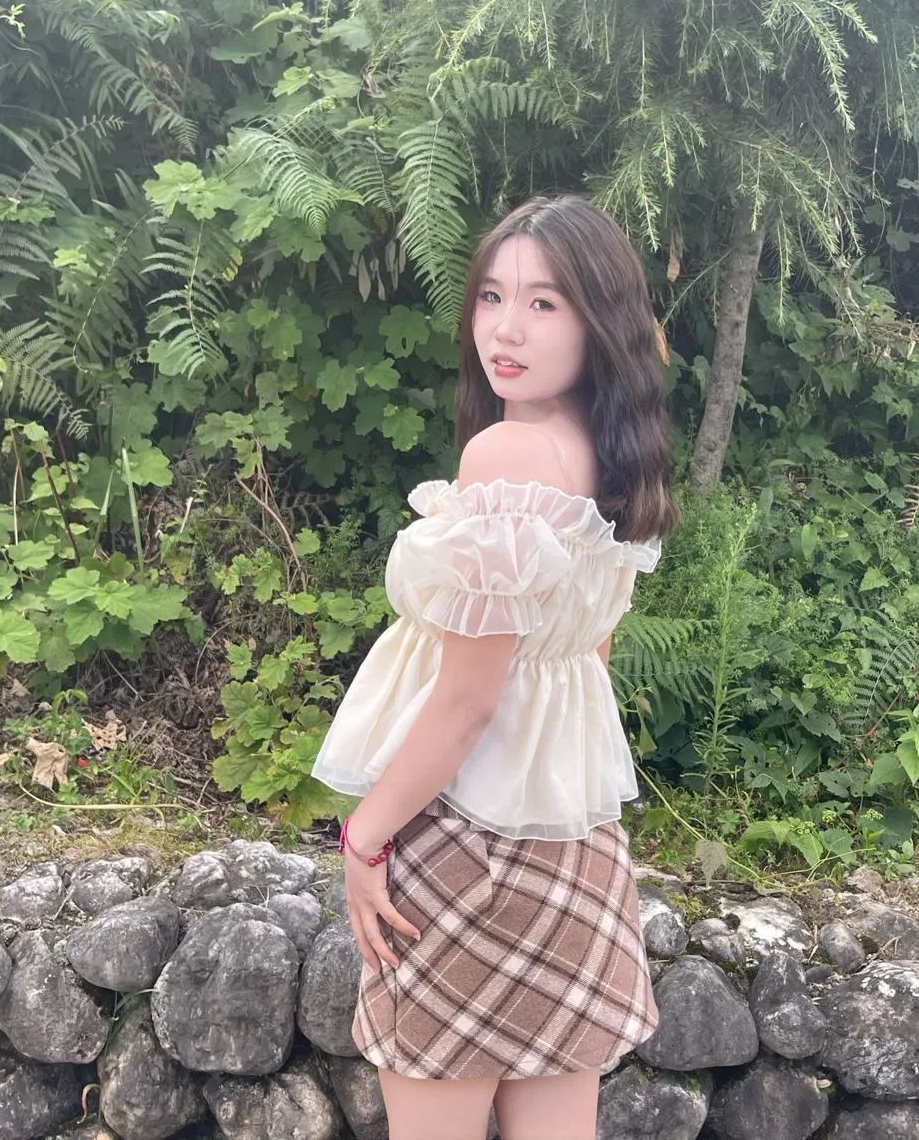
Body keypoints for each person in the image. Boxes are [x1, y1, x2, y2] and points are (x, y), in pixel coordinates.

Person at [311, 194, 679, 1140]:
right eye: (491, 296)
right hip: (572, 844)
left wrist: (365, 839)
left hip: (463, 835)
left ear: (599, 320)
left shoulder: (508, 453)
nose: (505, 329)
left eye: (544, 303)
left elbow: (469, 701)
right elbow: (591, 654)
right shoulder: (612, 459)